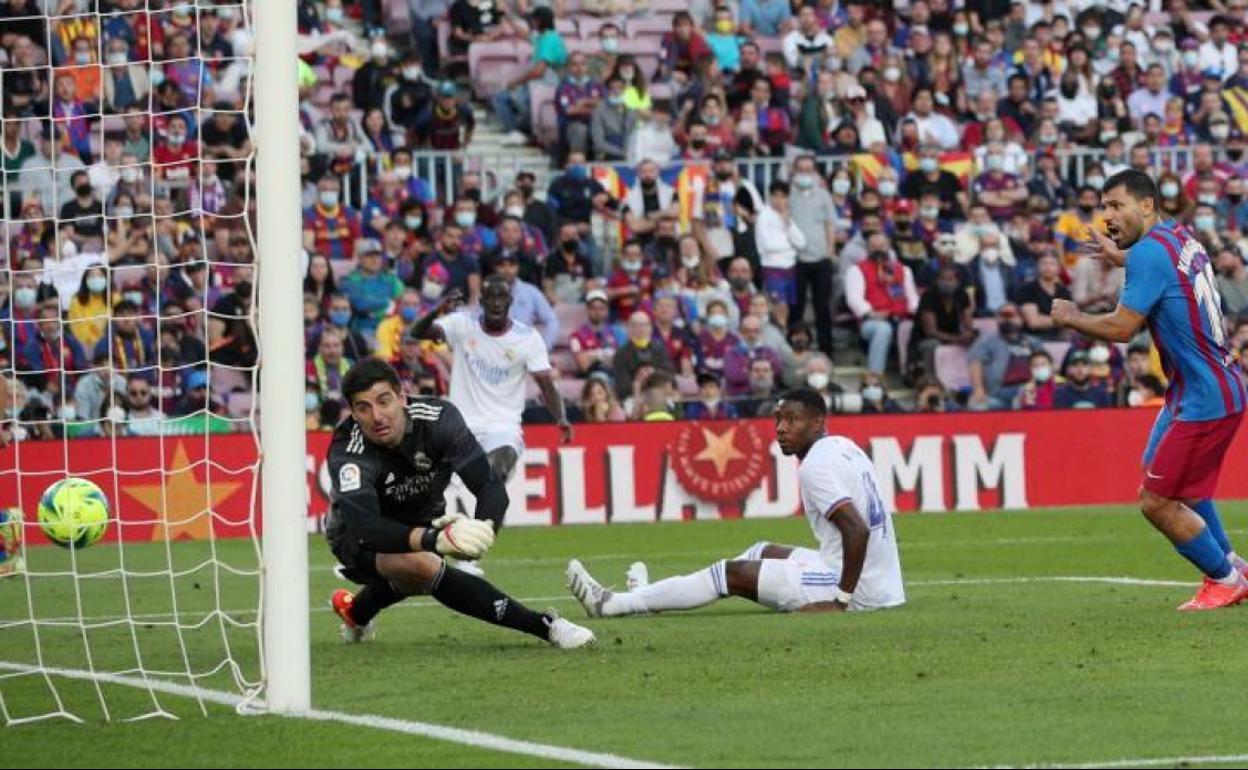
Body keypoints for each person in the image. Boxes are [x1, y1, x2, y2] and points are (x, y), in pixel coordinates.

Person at [1051, 169, 1248, 610]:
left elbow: (1123, 328)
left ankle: (1224, 578)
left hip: (1204, 397)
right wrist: (1120, 257)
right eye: (1103, 207)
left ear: (1146, 205)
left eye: (1116, 205)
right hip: (1208, 386)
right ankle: (1233, 565)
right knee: (1173, 479)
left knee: (1157, 501)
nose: (1106, 217)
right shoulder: (1180, 236)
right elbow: (1163, 265)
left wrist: (1070, 317)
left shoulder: (1148, 256)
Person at [325, 358, 593, 649]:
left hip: (419, 516)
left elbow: (489, 485)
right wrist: (432, 539)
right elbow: (367, 527)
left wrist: (482, 532)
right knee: (422, 565)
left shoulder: (439, 419)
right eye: (363, 408)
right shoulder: (348, 450)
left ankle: (355, 612)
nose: (377, 416)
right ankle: (545, 626)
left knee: (415, 573)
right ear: (352, 412)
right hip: (357, 538)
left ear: (402, 396)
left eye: (384, 401)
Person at [566, 387, 904, 616]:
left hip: (858, 590)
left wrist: (840, 601)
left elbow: (856, 530)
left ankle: (613, 604)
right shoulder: (844, 445)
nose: (781, 429)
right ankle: (653, 597)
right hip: (879, 580)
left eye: (793, 420)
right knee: (759, 550)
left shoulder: (815, 466)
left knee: (726, 574)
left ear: (817, 423)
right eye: (779, 420)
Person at [410, 279, 572, 495]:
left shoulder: (527, 338)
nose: (496, 303)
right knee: (429, 489)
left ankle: (484, 524)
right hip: (460, 425)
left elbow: (546, 385)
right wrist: (437, 310)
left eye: (501, 297)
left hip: (502, 426)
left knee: (498, 470)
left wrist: (560, 417)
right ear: (481, 301)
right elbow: (418, 332)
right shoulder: (462, 324)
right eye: (491, 298)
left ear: (510, 302)